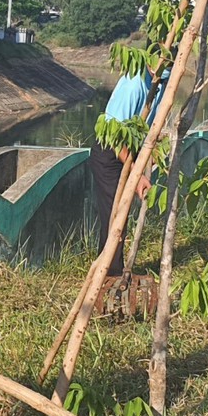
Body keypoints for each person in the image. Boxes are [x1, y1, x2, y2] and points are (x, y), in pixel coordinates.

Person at [87, 67, 155, 274]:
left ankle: (110, 268)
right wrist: (137, 174)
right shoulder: (134, 84)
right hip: (111, 152)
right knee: (115, 215)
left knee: (120, 216)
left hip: (130, 151)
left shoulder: (158, 84)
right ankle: (110, 273)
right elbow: (113, 135)